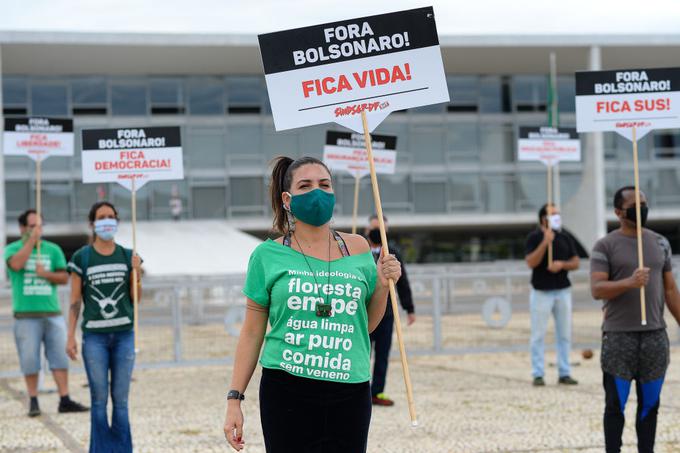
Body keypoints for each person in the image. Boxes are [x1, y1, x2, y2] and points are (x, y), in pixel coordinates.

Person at [223, 156, 401, 453]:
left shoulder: (357, 248)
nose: (317, 192)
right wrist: (234, 399)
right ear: (287, 198)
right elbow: (252, 333)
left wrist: (383, 287)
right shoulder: (266, 256)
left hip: (350, 389)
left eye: (325, 184)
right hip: (287, 391)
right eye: (305, 185)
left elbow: (364, 326)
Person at [590, 186, 680, 453]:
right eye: (634, 205)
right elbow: (597, 289)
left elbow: (670, 289)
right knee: (615, 406)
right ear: (619, 212)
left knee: (650, 406)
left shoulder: (660, 243)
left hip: (654, 336)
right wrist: (630, 282)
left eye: (644, 203)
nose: (641, 208)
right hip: (619, 337)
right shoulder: (605, 246)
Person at [66, 201, 142, 453]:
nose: (107, 221)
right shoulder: (82, 257)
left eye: (111, 216)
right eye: (102, 217)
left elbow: (136, 299)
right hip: (94, 338)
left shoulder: (127, 255)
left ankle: (122, 449)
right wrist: (70, 336)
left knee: (120, 401)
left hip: (124, 335)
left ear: (118, 221)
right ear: (93, 223)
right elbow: (75, 300)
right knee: (98, 400)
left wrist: (136, 274)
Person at [4, 209, 88, 417]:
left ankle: (65, 398)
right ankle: (33, 400)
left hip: (52, 313)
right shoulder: (12, 248)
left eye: (39, 226)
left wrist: (45, 274)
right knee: (29, 358)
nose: (36, 230)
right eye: (32, 226)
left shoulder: (53, 250)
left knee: (60, 356)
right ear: (22, 228)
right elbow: (15, 265)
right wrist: (31, 243)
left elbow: (63, 277)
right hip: (25, 315)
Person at [524, 203, 579, 386]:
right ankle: (538, 373)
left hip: (562, 290)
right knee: (538, 334)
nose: (557, 217)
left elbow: (576, 261)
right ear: (543, 219)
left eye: (557, 214)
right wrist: (544, 243)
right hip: (541, 292)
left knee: (564, 334)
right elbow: (531, 262)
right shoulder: (534, 237)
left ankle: (564, 372)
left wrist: (562, 265)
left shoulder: (565, 236)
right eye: (553, 214)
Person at [365, 214, 415, 406]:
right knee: (363, 353)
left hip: (386, 313)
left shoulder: (392, 253)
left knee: (383, 354)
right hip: (363, 312)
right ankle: (359, 390)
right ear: (368, 230)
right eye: (374, 229)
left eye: (382, 229)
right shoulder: (356, 251)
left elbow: (403, 282)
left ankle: (376, 392)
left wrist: (409, 308)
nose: (378, 232)